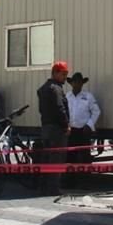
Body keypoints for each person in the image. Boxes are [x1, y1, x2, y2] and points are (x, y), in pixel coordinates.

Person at [37, 61, 70, 196]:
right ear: (55, 73)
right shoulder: (55, 88)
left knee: (46, 157)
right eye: (63, 74)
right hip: (56, 129)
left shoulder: (43, 88)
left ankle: (43, 186)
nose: (65, 77)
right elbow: (59, 108)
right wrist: (66, 124)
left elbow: (41, 109)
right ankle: (53, 188)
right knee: (57, 158)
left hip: (46, 127)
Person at [66, 72, 101, 167]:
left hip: (83, 131)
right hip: (71, 131)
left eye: (80, 83)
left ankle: (85, 177)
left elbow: (96, 111)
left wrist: (89, 125)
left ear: (82, 84)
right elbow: (64, 113)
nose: (77, 84)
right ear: (71, 83)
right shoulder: (67, 96)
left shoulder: (88, 96)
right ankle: (71, 178)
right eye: (75, 82)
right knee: (70, 156)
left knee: (84, 155)